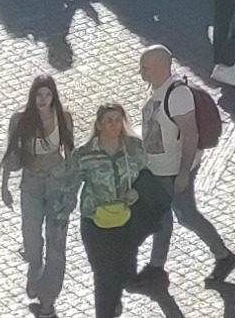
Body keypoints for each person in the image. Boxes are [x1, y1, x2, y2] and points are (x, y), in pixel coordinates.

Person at [131, 47, 235, 287]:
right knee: (163, 215)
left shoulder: (177, 96)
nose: (141, 72)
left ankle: (224, 256)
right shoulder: (159, 88)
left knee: (187, 215)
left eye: (145, 67)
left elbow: (190, 135)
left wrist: (182, 175)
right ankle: (156, 267)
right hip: (160, 168)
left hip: (174, 170)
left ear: (159, 68)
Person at [67, 106, 166, 318]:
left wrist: (137, 192)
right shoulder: (85, 154)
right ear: (99, 125)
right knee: (103, 276)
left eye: (118, 119)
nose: (114, 124)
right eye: (109, 120)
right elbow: (71, 184)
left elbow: (147, 174)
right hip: (95, 222)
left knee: (125, 273)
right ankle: (106, 312)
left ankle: (113, 302)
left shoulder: (135, 148)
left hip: (126, 220)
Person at [2, 74, 81, 312]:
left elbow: (70, 152)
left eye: (47, 95)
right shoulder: (20, 120)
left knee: (56, 243)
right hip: (32, 186)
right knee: (32, 235)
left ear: (53, 96)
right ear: (33, 96)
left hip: (57, 185)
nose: (43, 100)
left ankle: (49, 298)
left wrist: (72, 187)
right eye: (39, 95)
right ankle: (34, 269)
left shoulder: (63, 118)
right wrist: (4, 186)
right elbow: (10, 153)